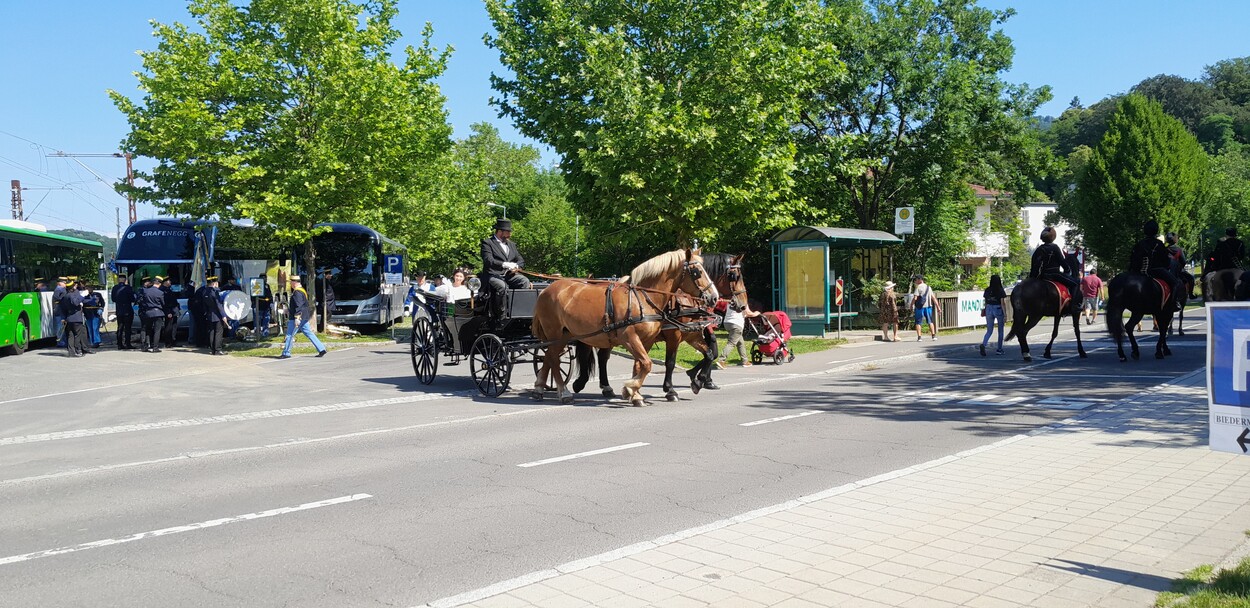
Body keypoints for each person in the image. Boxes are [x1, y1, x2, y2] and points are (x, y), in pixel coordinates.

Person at [480, 218, 531, 325]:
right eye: (508, 232)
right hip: (492, 275)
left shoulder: (511, 245)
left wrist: (516, 266)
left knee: (524, 281)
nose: (509, 234)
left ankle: (520, 312)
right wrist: (504, 264)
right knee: (502, 286)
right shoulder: (488, 243)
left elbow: (520, 259)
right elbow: (488, 260)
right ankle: (501, 316)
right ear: (500, 231)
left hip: (509, 274)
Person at [1128, 219, 1183, 311]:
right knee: (1175, 282)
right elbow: (1166, 261)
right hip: (1156, 270)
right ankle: (1174, 303)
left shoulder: (1139, 244)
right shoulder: (1159, 244)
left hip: (1138, 271)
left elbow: (1133, 259)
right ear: (1155, 231)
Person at [1030, 226, 1082, 313]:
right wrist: (1067, 270)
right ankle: (1074, 306)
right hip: (1055, 274)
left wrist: (1032, 277)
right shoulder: (1055, 247)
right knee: (1076, 283)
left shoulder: (1039, 249)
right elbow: (1062, 261)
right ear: (1053, 237)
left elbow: (1034, 265)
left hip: (1043, 275)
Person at [280, 275, 327, 359]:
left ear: (294, 282)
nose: (290, 284)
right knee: (309, 333)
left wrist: (297, 317)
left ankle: (286, 353)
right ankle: (321, 349)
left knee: (290, 335)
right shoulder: (302, 291)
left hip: (297, 317)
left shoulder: (297, 292)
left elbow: (299, 305)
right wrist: (289, 311)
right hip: (304, 316)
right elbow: (301, 305)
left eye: (290, 282)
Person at [715, 299, 761, 368]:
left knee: (740, 342)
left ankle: (745, 361)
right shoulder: (743, 301)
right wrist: (756, 313)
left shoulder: (730, 301)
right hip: (736, 324)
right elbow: (748, 313)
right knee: (731, 343)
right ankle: (721, 360)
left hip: (727, 323)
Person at [980, 275, 1008, 356]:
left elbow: (986, 301)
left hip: (989, 308)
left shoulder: (987, 290)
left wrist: (985, 310)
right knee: (1000, 330)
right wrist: (1005, 314)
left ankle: (984, 344)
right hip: (998, 308)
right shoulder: (1000, 290)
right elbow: (1003, 303)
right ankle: (999, 349)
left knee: (989, 330)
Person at [138, 275, 167, 353]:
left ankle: (146, 346)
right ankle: (155, 347)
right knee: (157, 331)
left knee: (148, 330)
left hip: (148, 313)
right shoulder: (160, 293)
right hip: (158, 312)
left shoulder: (146, 291)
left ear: (154, 282)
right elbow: (163, 303)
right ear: (159, 284)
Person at [59, 281, 87, 357]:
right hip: (76, 318)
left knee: (70, 336)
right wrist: (82, 296)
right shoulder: (71, 295)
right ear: (73, 287)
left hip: (69, 318)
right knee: (77, 335)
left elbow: (62, 308)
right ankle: (78, 351)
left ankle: (71, 352)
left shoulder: (65, 296)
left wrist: (63, 318)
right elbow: (76, 302)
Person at [202, 276, 228, 355]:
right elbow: (218, 304)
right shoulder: (214, 292)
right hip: (217, 315)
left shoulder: (204, 292)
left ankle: (213, 349)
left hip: (210, 314)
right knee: (218, 332)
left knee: (212, 332)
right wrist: (223, 315)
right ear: (214, 283)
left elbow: (204, 305)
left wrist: (206, 312)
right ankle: (217, 350)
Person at [1165, 232, 1195, 298]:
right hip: (1178, 271)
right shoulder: (1179, 250)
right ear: (1175, 240)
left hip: (1166, 271)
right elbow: (1183, 261)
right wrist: (1180, 268)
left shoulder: (1164, 250)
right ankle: (1191, 294)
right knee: (1191, 278)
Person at [911, 275, 941, 341]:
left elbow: (915, 298)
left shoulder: (918, 287)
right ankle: (933, 336)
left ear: (919, 280)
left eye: (915, 280)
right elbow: (933, 298)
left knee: (918, 322)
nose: (915, 281)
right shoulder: (928, 287)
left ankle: (919, 337)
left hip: (919, 307)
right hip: (928, 306)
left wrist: (911, 305)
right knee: (930, 321)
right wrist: (938, 307)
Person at [111, 274, 136, 350]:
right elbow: (132, 299)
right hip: (127, 310)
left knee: (120, 328)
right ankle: (127, 343)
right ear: (125, 280)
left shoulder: (115, 288)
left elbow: (113, 299)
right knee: (128, 328)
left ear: (118, 280)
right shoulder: (128, 288)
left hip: (119, 311)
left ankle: (119, 344)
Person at [82, 284, 105, 349]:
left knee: (95, 328)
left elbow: (102, 302)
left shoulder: (97, 294)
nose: (88, 289)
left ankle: (96, 341)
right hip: (87, 313)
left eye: (90, 288)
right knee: (90, 328)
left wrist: (101, 308)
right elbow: (82, 303)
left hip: (95, 312)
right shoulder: (83, 295)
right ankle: (92, 342)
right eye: (87, 288)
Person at [159, 277, 180, 348]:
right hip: (169, 311)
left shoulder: (168, 289)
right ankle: (168, 342)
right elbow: (165, 303)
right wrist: (168, 312)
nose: (170, 282)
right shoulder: (163, 290)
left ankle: (172, 341)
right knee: (168, 327)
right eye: (169, 281)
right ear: (165, 282)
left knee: (173, 326)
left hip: (173, 310)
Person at [255, 273, 273, 338]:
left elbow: (270, 295)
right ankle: (257, 334)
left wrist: (271, 302)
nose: (265, 279)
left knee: (266, 320)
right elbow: (254, 297)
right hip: (259, 306)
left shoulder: (267, 286)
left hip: (266, 306)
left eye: (265, 278)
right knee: (258, 321)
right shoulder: (257, 285)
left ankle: (265, 333)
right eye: (263, 278)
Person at [52, 277, 68, 347]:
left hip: (60, 309)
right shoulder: (59, 289)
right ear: (59, 283)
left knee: (61, 326)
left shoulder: (61, 289)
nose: (65, 284)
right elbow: (57, 298)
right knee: (60, 327)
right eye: (64, 283)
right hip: (59, 309)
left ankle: (62, 341)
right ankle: (61, 342)